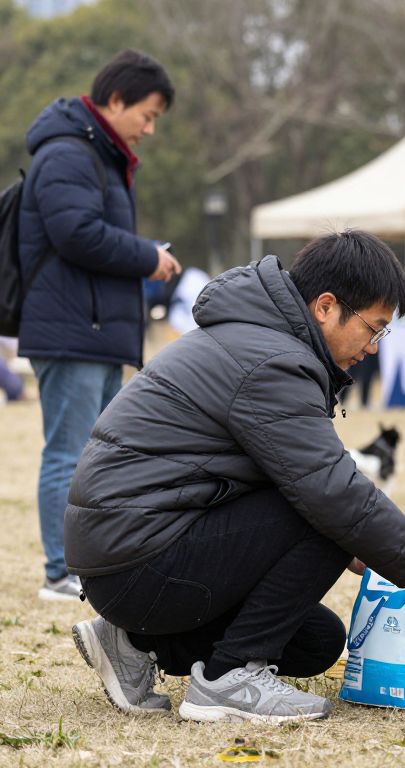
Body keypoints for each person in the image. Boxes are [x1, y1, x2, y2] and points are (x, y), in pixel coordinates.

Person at [67, 231, 405, 722]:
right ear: (326, 307)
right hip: (139, 556)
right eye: (375, 328)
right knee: (329, 514)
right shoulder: (271, 360)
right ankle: (227, 681)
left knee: (315, 641)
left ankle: (132, 643)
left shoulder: (257, 338)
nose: (373, 347)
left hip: (128, 553)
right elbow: (331, 492)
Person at [18, 50, 181, 601]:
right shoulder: (69, 152)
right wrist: (146, 257)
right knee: (67, 452)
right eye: (148, 114)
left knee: (96, 456)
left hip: (94, 330)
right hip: (71, 330)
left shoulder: (98, 154)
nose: (150, 128)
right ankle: (60, 571)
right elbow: (76, 234)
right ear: (115, 101)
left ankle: (86, 565)